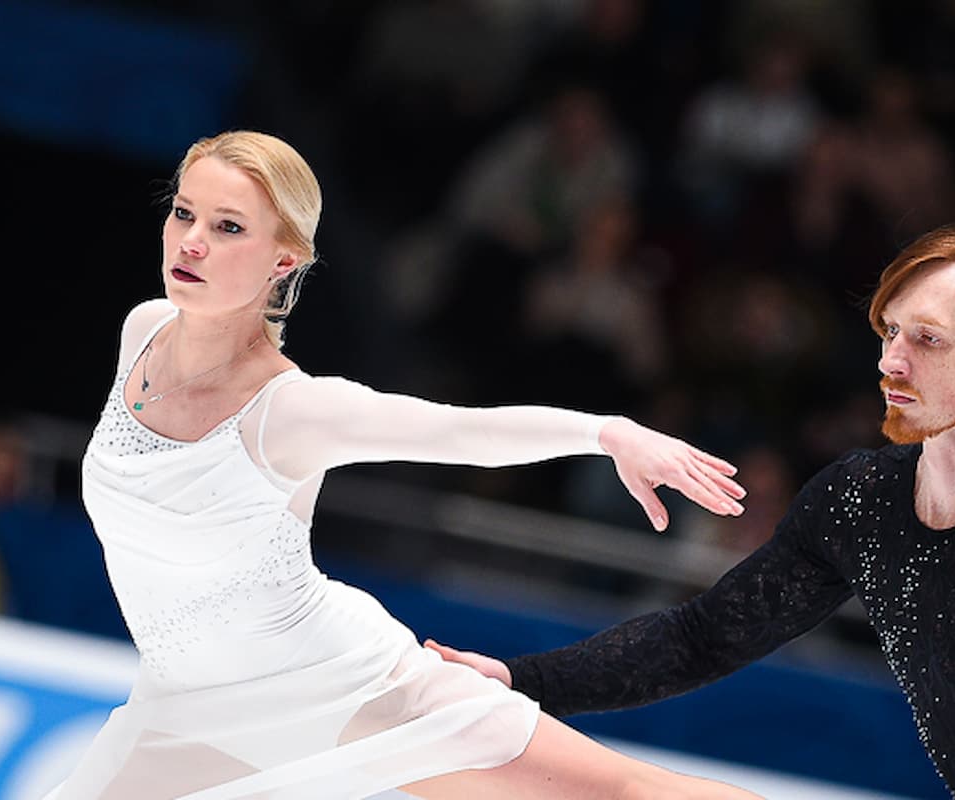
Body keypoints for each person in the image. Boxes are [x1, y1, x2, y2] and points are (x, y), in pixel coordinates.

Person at [45, 130, 764, 800]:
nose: (192, 242)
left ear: (282, 260)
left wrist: (606, 432)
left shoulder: (292, 411)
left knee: (627, 795)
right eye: (184, 214)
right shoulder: (143, 330)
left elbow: (460, 433)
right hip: (184, 709)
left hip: (344, 688)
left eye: (228, 227)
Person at [430, 217, 955, 798]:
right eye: (889, 331)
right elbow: (706, 636)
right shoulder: (862, 497)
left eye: (927, 340)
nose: (889, 361)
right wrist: (520, 679)